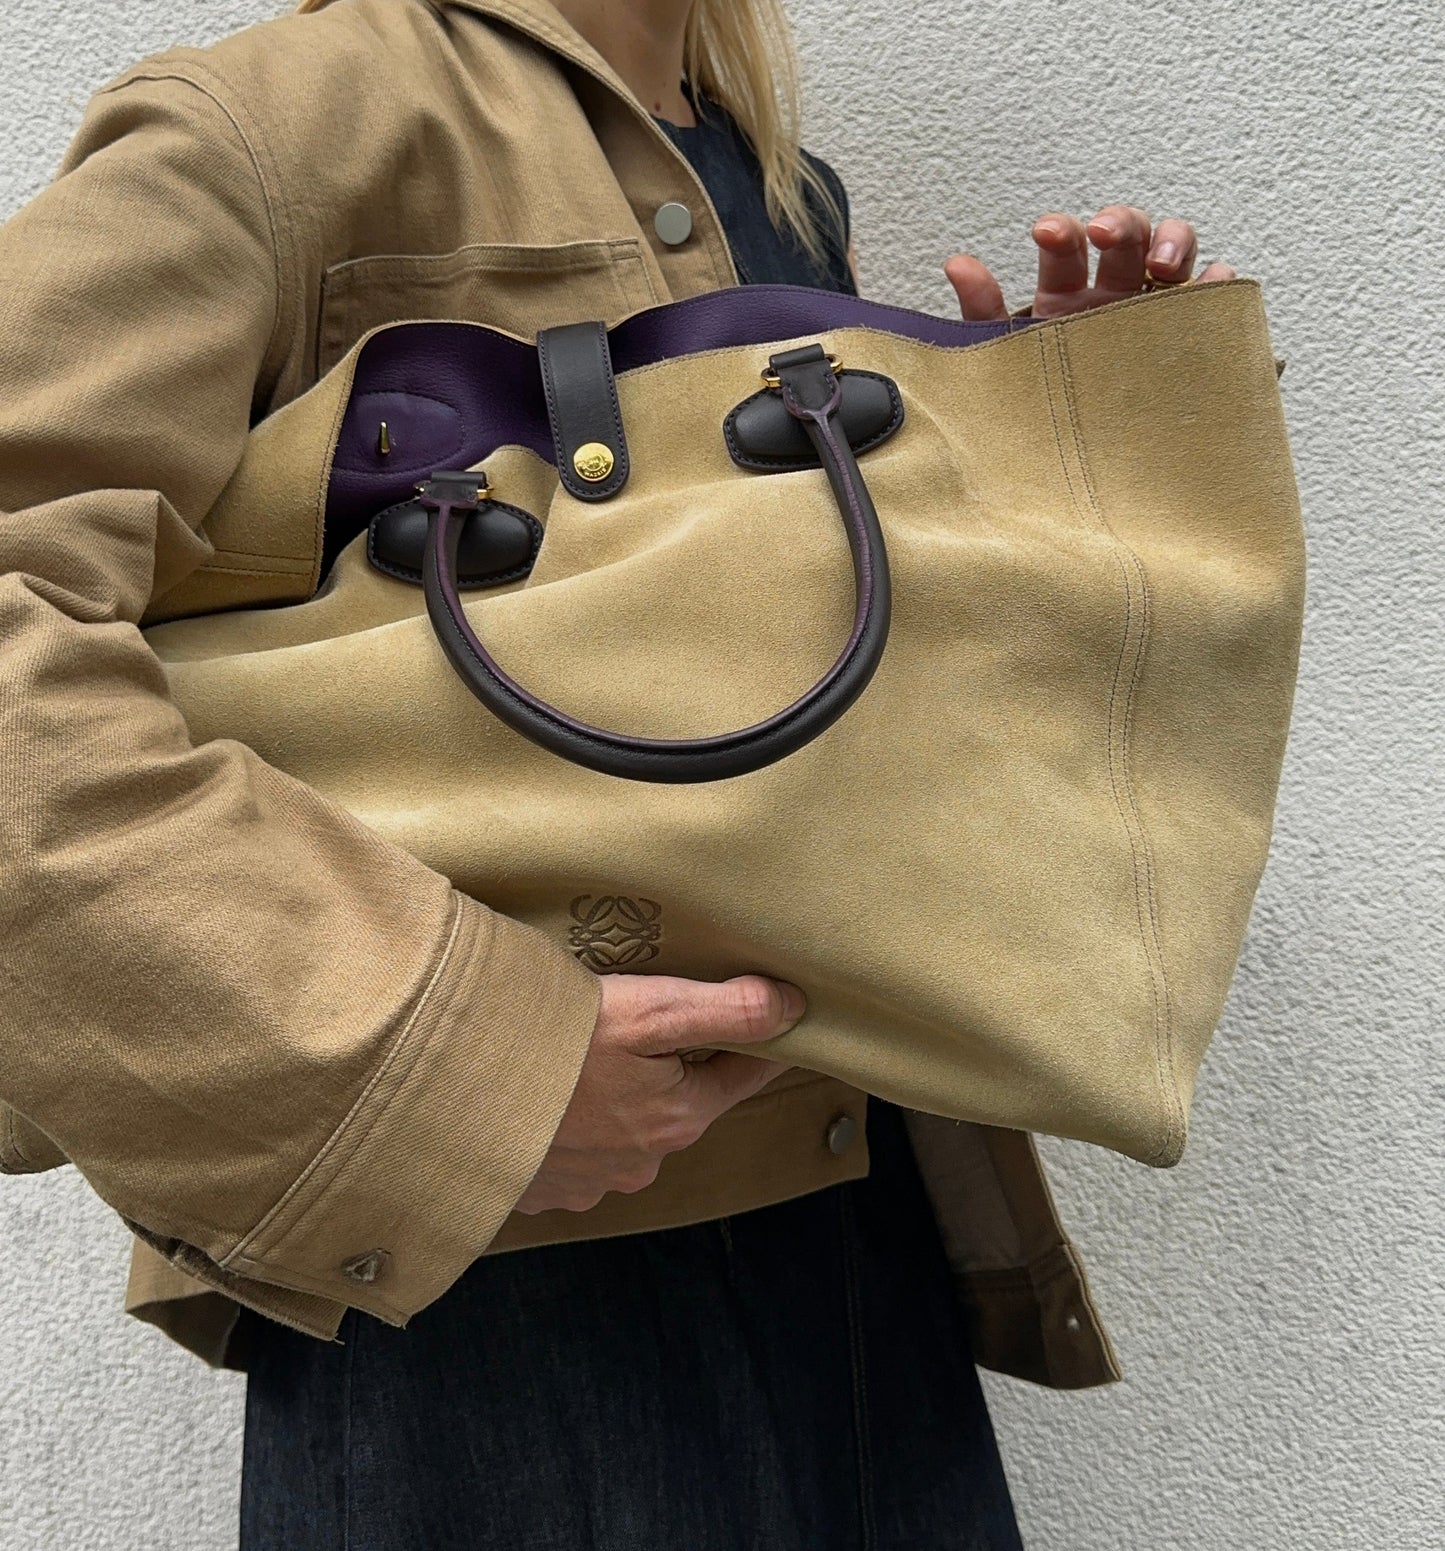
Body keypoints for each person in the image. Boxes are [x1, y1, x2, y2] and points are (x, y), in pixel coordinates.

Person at [0, 1, 1236, 1545]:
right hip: (495, 1303)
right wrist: (460, 1074)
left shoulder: (775, 182)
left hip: (860, 1221)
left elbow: (751, 667)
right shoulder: (275, 124)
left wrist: (1033, 442)